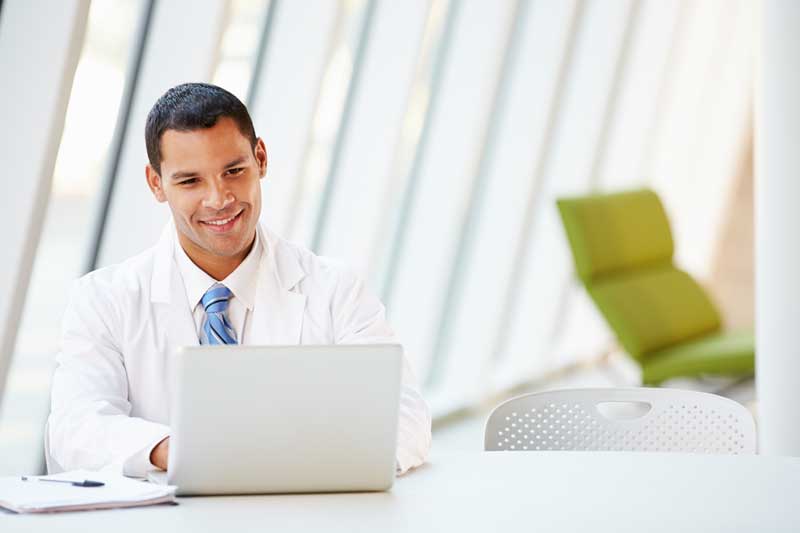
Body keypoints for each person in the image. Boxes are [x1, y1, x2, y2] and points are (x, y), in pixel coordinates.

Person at [47, 83, 431, 477]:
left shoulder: (334, 290)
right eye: (190, 181)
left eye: (233, 171)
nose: (219, 198)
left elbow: (404, 418)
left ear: (260, 158)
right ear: (156, 184)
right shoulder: (104, 299)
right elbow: (76, 427)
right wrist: (182, 451)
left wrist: (291, 461)